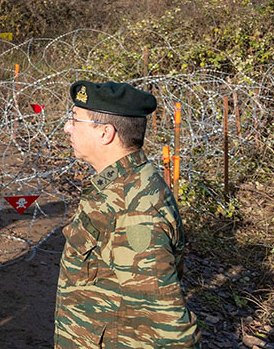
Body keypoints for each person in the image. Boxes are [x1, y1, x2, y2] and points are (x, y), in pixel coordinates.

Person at [55, 80, 200, 348]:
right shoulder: (118, 185)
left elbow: (167, 327)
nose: (67, 128)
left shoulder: (135, 210)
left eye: (75, 120)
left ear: (105, 133)